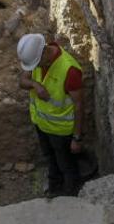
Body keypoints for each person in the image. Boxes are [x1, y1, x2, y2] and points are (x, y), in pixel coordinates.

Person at [17, 34, 86, 197]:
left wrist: (77, 138)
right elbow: (22, 81)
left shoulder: (70, 70)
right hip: (41, 124)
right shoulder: (36, 58)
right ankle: (54, 187)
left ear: (44, 52)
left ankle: (70, 194)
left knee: (66, 164)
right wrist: (35, 84)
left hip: (61, 131)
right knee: (50, 158)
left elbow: (79, 105)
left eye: (36, 63)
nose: (34, 68)